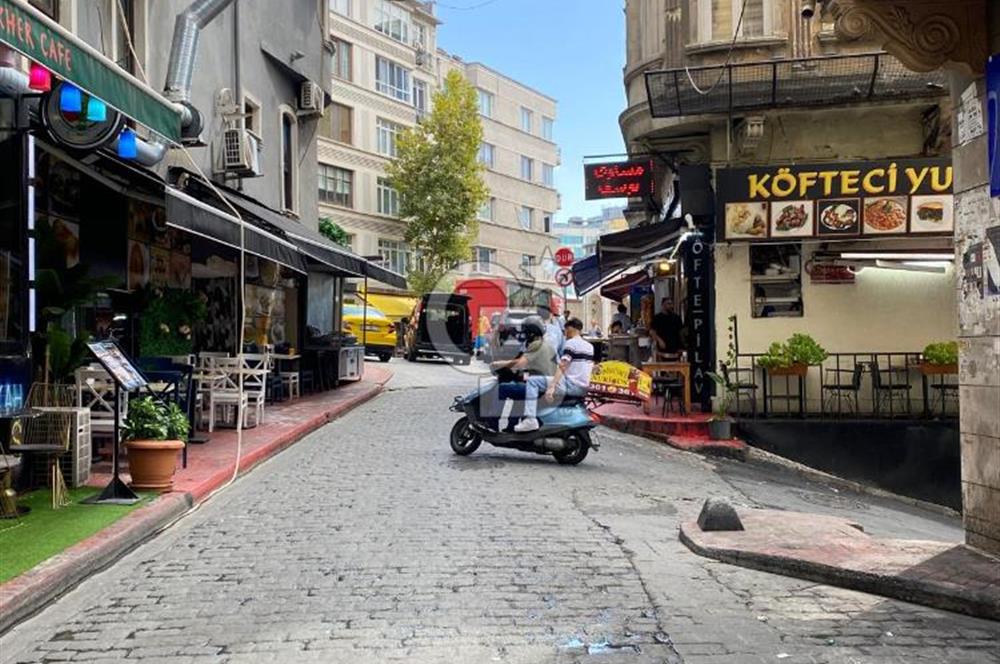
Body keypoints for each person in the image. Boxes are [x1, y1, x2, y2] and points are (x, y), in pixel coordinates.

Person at [515, 318, 594, 432]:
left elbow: (563, 365)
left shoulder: (571, 344)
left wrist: (552, 386)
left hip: (570, 385)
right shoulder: (589, 346)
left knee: (532, 381)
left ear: (570, 329)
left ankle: (530, 419)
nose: (564, 334)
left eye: (565, 330)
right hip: (583, 387)